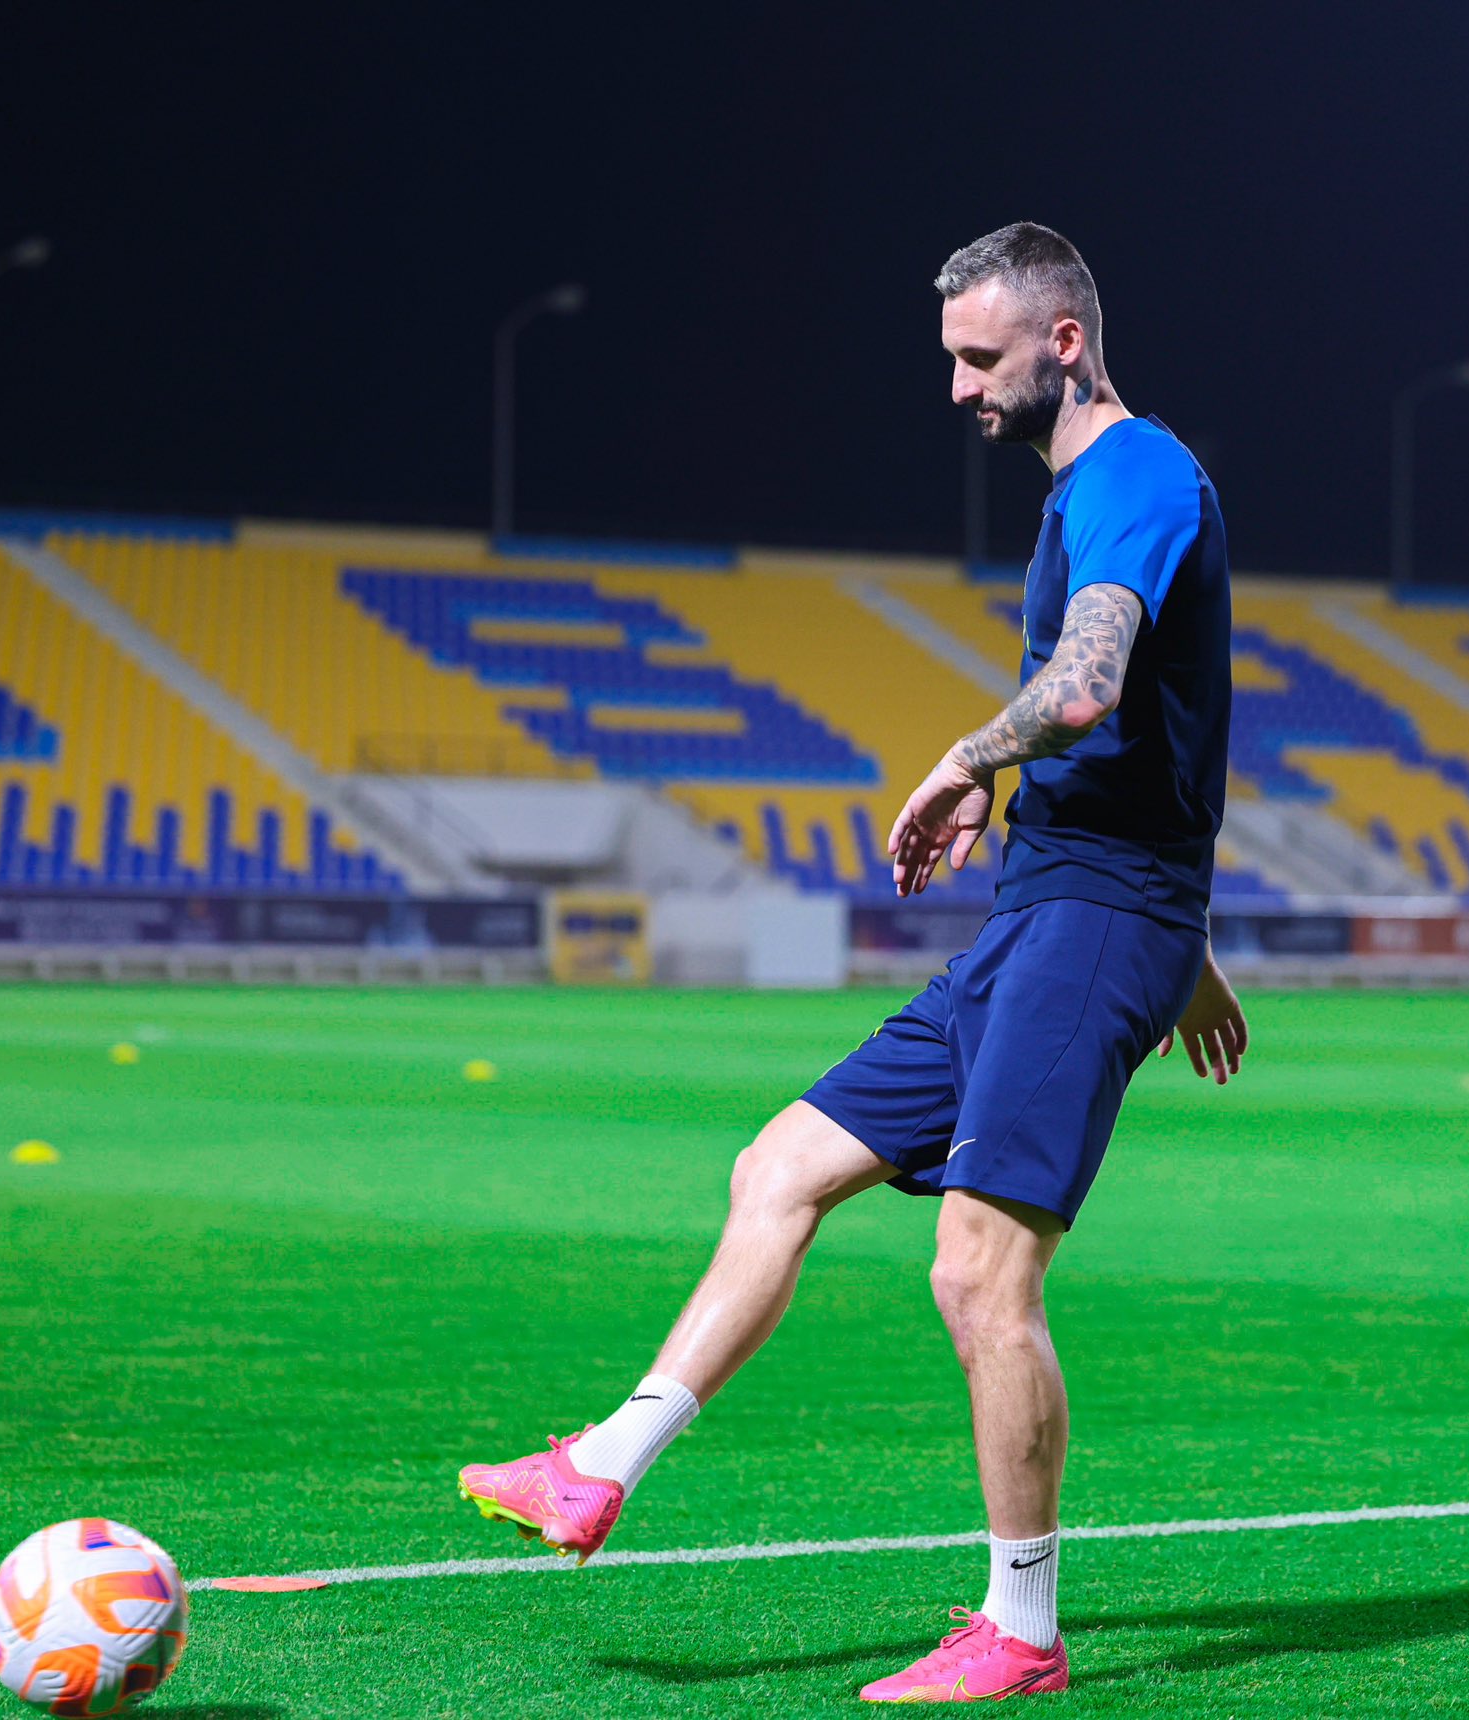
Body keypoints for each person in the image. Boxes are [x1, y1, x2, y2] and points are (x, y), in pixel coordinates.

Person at [459, 221, 1249, 1703]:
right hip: (1051, 920)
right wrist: (1185, 939)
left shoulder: (1138, 472)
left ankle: (1020, 1630)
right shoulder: (1084, 489)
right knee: (778, 1168)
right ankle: (599, 1469)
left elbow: (1091, 685)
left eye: (977, 355)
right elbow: (1163, 744)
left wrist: (970, 761)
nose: (954, 387)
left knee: (980, 1278)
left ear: (1062, 341)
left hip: (1091, 927)